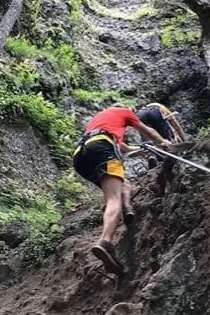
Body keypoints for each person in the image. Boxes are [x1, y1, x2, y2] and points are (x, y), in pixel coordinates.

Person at [73, 105, 172, 274]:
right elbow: (148, 130)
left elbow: (125, 149)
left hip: (81, 156)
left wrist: (143, 149)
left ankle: (127, 211)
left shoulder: (100, 120)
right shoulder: (124, 112)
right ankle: (105, 241)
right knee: (113, 198)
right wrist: (164, 142)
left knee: (124, 185)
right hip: (102, 149)